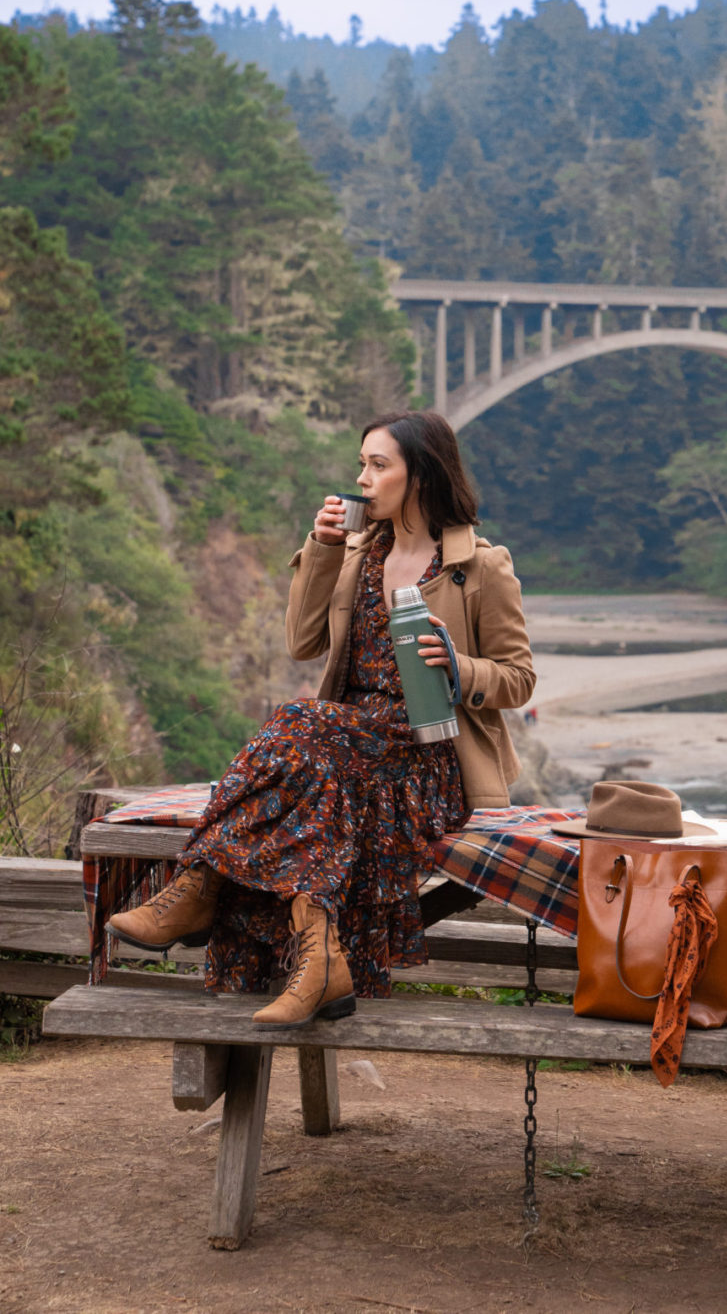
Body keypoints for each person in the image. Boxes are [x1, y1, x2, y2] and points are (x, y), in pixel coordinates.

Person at [108, 410, 535, 1026]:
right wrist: (323, 550)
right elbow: (302, 643)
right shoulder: (357, 551)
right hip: (342, 749)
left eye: (378, 465)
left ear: (421, 475)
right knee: (316, 775)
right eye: (362, 463)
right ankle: (322, 962)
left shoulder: (479, 566)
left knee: (298, 723)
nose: (362, 478)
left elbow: (518, 678)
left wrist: (460, 667)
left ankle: (200, 886)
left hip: (426, 758)